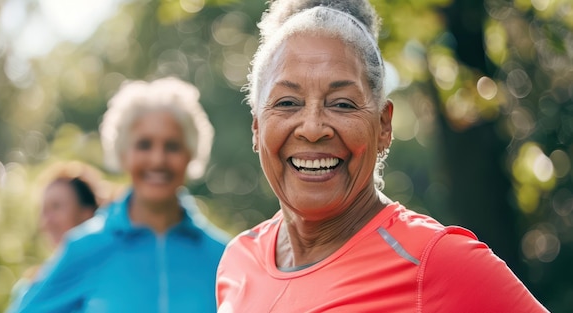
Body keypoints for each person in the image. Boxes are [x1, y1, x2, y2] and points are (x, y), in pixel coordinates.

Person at [216, 0, 549, 312]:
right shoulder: (239, 261)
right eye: (287, 102)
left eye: (342, 103)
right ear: (257, 127)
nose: (313, 128)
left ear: (383, 126)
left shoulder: (434, 262)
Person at [13, 77, 229, 313]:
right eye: (144, 145)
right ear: (123, 152)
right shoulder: (84, 248)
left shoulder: (223, 257)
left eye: (172, 146)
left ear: (191, 153)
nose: (158, 159)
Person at [7, 161, 104, 311]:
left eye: (56, 207)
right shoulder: (29, 285)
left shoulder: (106, 275)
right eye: (43, 211)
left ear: (87, 213)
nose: (47, 221)